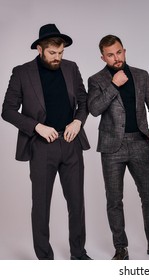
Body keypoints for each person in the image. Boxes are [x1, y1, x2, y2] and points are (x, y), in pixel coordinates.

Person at [1, 24, 91, 260]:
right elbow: (7, 111)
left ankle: (78, 253)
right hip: (42, 147)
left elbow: (84, 100)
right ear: (40, 49)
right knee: (41, 204)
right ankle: (45, 259)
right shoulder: (21, 72)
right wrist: (36, 127)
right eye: (53, 53)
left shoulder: (71, 68)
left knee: (77, 202)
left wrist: (78, 122)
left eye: (61, 53)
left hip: (71, 143)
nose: (58, 58)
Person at [87, 35, 149, 260]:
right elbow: (94, 109)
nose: (116, 58)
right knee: (114, 199)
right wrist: (114, 85)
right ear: (103, 57)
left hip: (140, 143)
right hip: (112, 147)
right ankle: (120, 247)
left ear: (124, 50)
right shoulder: (96, 80)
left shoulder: (141, 75)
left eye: (119, 52)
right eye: (110, 55)